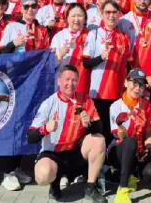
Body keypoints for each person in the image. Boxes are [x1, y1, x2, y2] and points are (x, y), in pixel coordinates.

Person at [28, 65, 108, 203]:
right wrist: (45, 128)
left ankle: (90, 187)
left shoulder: (86, 100)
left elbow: (99, 129)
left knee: (99, 140)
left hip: (75, 152)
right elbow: (30, 137)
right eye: (67, 79)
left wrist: (90, 123)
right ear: (59, 81)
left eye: (74, 80)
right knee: (43, 175)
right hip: (53, 154)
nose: (70, 83)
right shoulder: (49, 103)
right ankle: (54, 184)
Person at [84, 0, 135, 140]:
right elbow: (86, 63)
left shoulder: (124, 37)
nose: (111, 16)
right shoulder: (94, 34)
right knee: (97, 131)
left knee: (113, 131)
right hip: (98, 92)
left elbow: (128, 64)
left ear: (118, 15)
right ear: (101, 14)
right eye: (108, 12)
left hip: (117, 92)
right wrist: (101, 57)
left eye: (114, 12)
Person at [109, 69, 151, 203]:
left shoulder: (147, 106)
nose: (137, 88)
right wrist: (121, 124)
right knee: (131, 141)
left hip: (139, 152)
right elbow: (119, 136)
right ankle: (122, 189)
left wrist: (149, 149)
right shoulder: (115, 106)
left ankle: (132, 176)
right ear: (126, 83)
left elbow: (148, 132)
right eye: (134, 83)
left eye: (141, 85)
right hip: (119, 150)